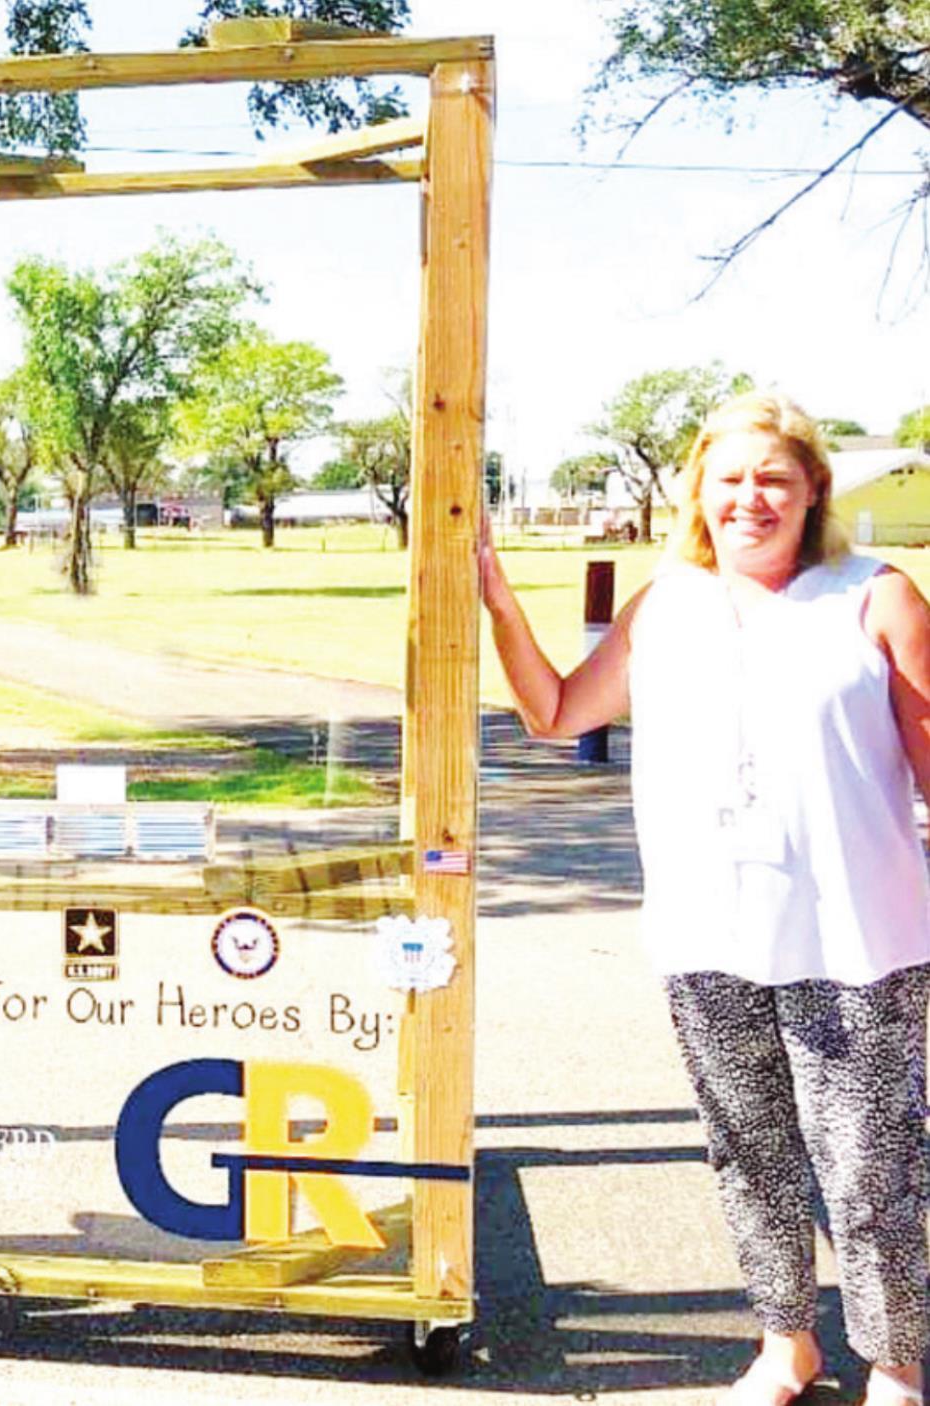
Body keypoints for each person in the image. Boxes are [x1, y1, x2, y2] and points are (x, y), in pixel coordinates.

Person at [481, 391, 930, 1406]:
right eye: (728, 478)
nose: (750, 497)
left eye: (773, 476)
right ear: (698, 491)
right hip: (708, 935)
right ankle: (785, 1347)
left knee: (869, 1166)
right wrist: (503, 608)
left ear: (814, 487)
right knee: (750, 1153)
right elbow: (556, 712)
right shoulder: (666, 603)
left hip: (856, 936)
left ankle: (895, 1364)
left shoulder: (876, 595)